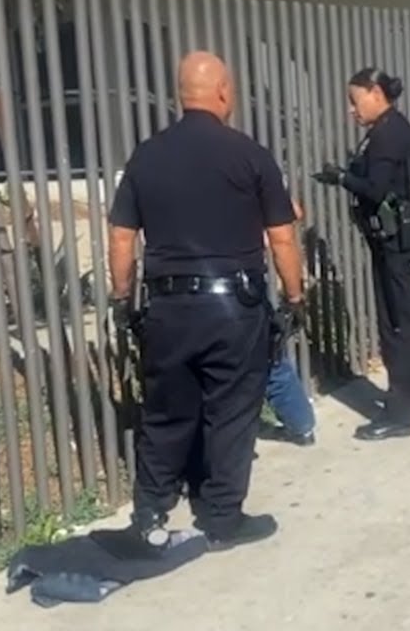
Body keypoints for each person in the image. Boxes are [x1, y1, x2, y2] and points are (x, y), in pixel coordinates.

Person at [107, 50, 305, 551]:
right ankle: (222, 518)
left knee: (166, 413)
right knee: (232, 412)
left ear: (181, 95)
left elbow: (122, 238)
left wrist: (121, 297)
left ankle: (149, 513)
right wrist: (295, 296)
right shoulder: (250, 155)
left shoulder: (146, 156)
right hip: (234, 307)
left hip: (168, 308)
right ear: (222, 91)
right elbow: (282, 237)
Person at [312, 67, 410, 442]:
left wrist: (342, 178)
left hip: (395, 242)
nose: (351, 110)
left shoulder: (386, 136)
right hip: (404, 239)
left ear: (375, 93)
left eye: (354, 101)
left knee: (395, 326)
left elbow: (375, 188)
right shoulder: (397, 129)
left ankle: (401, 413)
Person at [263, 197, 316, 446]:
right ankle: (301, 424)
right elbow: (292, 211)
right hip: (245, 276)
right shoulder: (250, 173)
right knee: (270, 358)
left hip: (194, 284)